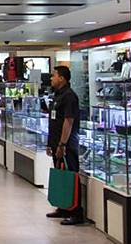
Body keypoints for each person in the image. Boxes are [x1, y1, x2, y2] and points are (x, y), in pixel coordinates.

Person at [46, 66, 84, 225]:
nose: (51, 78)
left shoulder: (69, 96)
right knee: (61, 176)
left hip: (67, 145)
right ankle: (63, 207)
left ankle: (76, 212)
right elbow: (54, 121)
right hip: (57, 143)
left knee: (71, 176)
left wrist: (62, 144)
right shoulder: (57, 95)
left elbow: (68, 121)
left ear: (62, 78)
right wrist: (51, 144)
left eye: (54, 75)